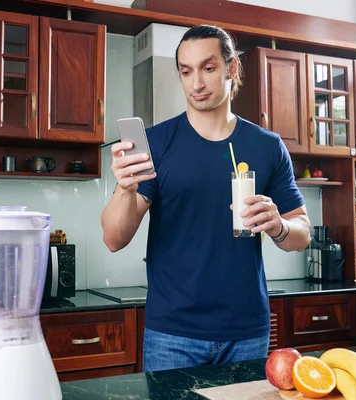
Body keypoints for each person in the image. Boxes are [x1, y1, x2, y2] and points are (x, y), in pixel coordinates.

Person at [100, 24, 311, 372]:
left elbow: (300, 234)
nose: (196, 83)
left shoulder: (267, 145)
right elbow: (113, 239)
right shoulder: (155, 144)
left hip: (247, 331)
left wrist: (279, 226)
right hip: (172, 334)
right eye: (186, 71)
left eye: (208, 68)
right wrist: (125, 188)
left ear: (232, 69)